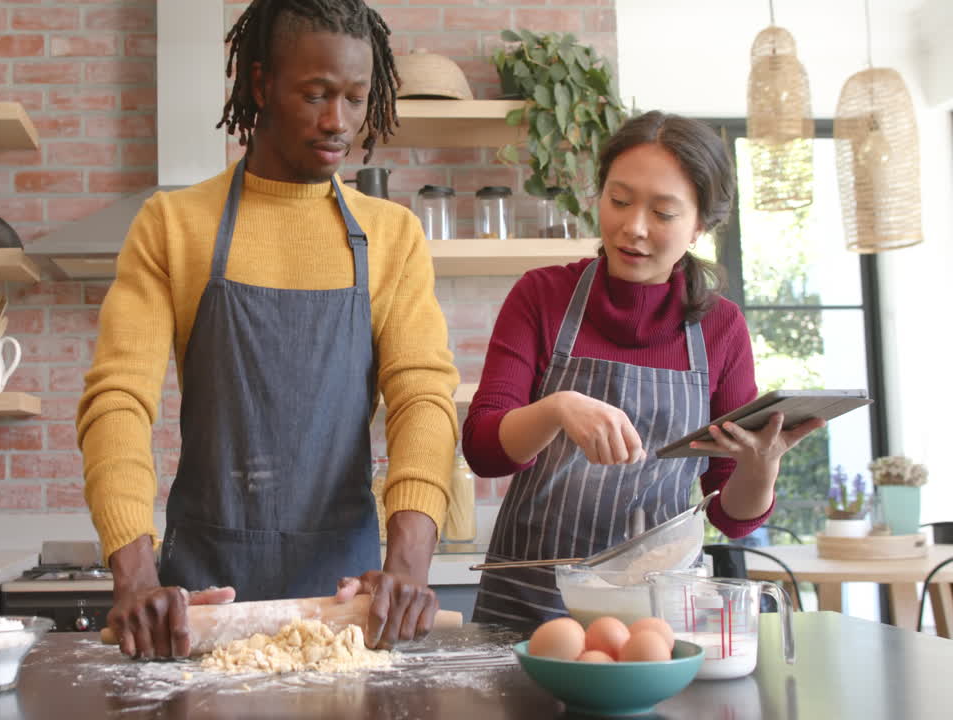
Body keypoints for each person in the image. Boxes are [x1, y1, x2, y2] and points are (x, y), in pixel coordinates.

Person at [76, 0, 460, 659]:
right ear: (260, 85)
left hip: (351, 608)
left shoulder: (392, 237)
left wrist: (410, 564)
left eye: (354, 97)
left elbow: (422, 396)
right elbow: (118, 400)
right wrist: (135, 575)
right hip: (200, 605)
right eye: (315, 95)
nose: (337, 121)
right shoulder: (174, 226)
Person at [463, 111, 826, 631]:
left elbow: (730, 513)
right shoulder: (541, 297)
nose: (633, 227)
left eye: (663, 212)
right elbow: (482, 449)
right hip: (530, 606)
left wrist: (762, 466)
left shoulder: (721, 328)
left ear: (701, 224)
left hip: (657, 614)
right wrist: (558, 408)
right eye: (619, 200)